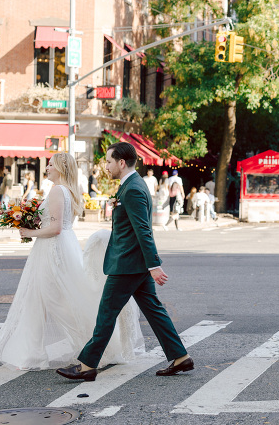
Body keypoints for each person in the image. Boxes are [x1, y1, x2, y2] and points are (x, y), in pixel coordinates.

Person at [0, 152, 144, 370]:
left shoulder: (58, 191)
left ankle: (93, 346)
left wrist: (29, 231)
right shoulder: (66, 191)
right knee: (38, 300)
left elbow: (55, 228)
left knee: (60, 303)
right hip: (58, 247)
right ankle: (32, 354)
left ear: (60, 169)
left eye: (50, 165)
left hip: (53, 250)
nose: (46, 168)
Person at [57, 142, 193, 382]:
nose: (106, 166)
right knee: (153, 310)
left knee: (106, 314)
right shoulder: (132, 185)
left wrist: (154, 265)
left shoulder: (132, 189)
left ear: (121, 162)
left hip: (128, 264)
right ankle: (180, 357)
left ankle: (87, 365)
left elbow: (143, 230)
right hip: (134, 263)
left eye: (109, 161)